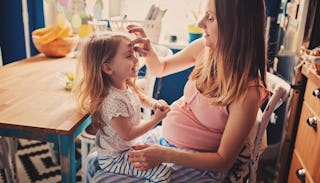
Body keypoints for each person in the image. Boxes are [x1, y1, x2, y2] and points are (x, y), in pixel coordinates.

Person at [126, 0, 270, 182]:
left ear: (236, 27)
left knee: (105, 175)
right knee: (96, 161)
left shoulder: (248, 93)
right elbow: (160, 68)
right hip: (165, 142)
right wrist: (149, 53)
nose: (199, 23)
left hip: (196, 167)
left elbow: (223, 160)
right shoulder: (205, 49)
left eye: (210, 18)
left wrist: (164, 155)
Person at [73, 33, 172, 182]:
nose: (136, 59)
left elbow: (141, 98)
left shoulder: (124, 85)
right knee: (163, 173)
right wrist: (155, 120)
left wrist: (154, 104)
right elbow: (128, 134)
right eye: (128, 56)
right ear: (108, 68)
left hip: (128, 147)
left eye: (135, 54)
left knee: (162, 157)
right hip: (116, 158)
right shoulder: (113, 100)